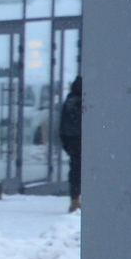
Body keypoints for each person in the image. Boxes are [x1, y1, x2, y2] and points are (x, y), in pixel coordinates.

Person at [59, 77, 83, 213]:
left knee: (75, 170)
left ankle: (75, 200)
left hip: (73, 140)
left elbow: (63, 123)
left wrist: (66, 142)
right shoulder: (85, 100)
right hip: (83, 139)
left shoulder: (69, 100)